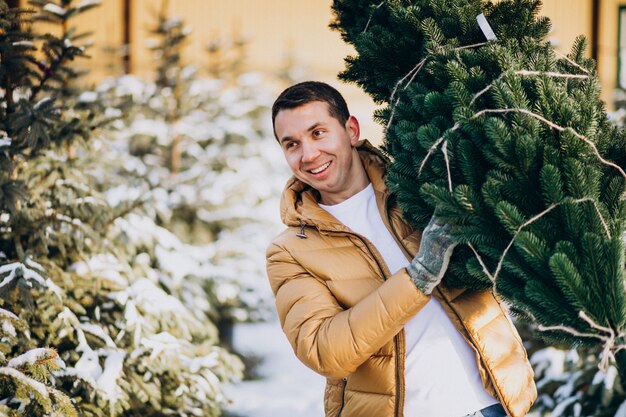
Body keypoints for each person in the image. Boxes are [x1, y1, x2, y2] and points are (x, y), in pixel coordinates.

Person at [266, 81, 536, 417]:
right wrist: (418, 277)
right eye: (292, 144)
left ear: (351, 130)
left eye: (318, 133)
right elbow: (325, 351)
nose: (308, 155)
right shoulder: (291, 250)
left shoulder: (420, 187)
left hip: (493, 402)